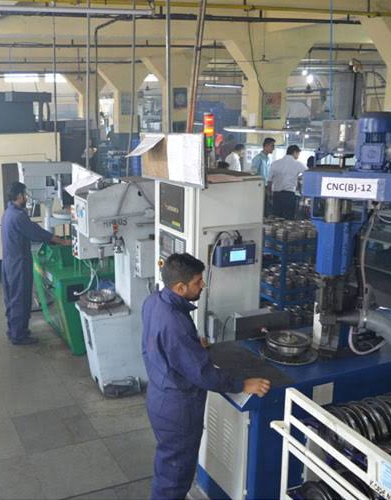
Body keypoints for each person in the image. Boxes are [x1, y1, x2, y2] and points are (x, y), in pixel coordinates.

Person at [142, 253, 271, 500]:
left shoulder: (154, 301)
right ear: (180, 288)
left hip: (159, 396)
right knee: (175, 476)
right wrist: (242, 384)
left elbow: (158, 343)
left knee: (168, 463)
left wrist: (190, 345)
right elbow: (203, 374)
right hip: (179, 408)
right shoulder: (175, 324)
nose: (203, 285)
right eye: (197, 282)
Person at [2, 182, 70, 345]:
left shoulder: (9, 212)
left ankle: (13, 330)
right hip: (19, 263)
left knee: (12, 297)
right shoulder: (19, 217)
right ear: (20, 196)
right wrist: (62, 241)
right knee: (21, 298)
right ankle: (19, 336)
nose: (26, 198)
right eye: (25, 195)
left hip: (9, 262)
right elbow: (37, 233)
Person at [269, 144, 307, 220]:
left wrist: (270, 193)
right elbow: (308, 174)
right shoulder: (298, 164)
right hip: (289, 195)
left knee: (276, 217)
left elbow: (269, 180)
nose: (298, 156)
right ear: (295, 152)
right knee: (288, 218)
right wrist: (299, 178)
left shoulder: (275, 163)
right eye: (298, 154)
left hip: (277, 195)